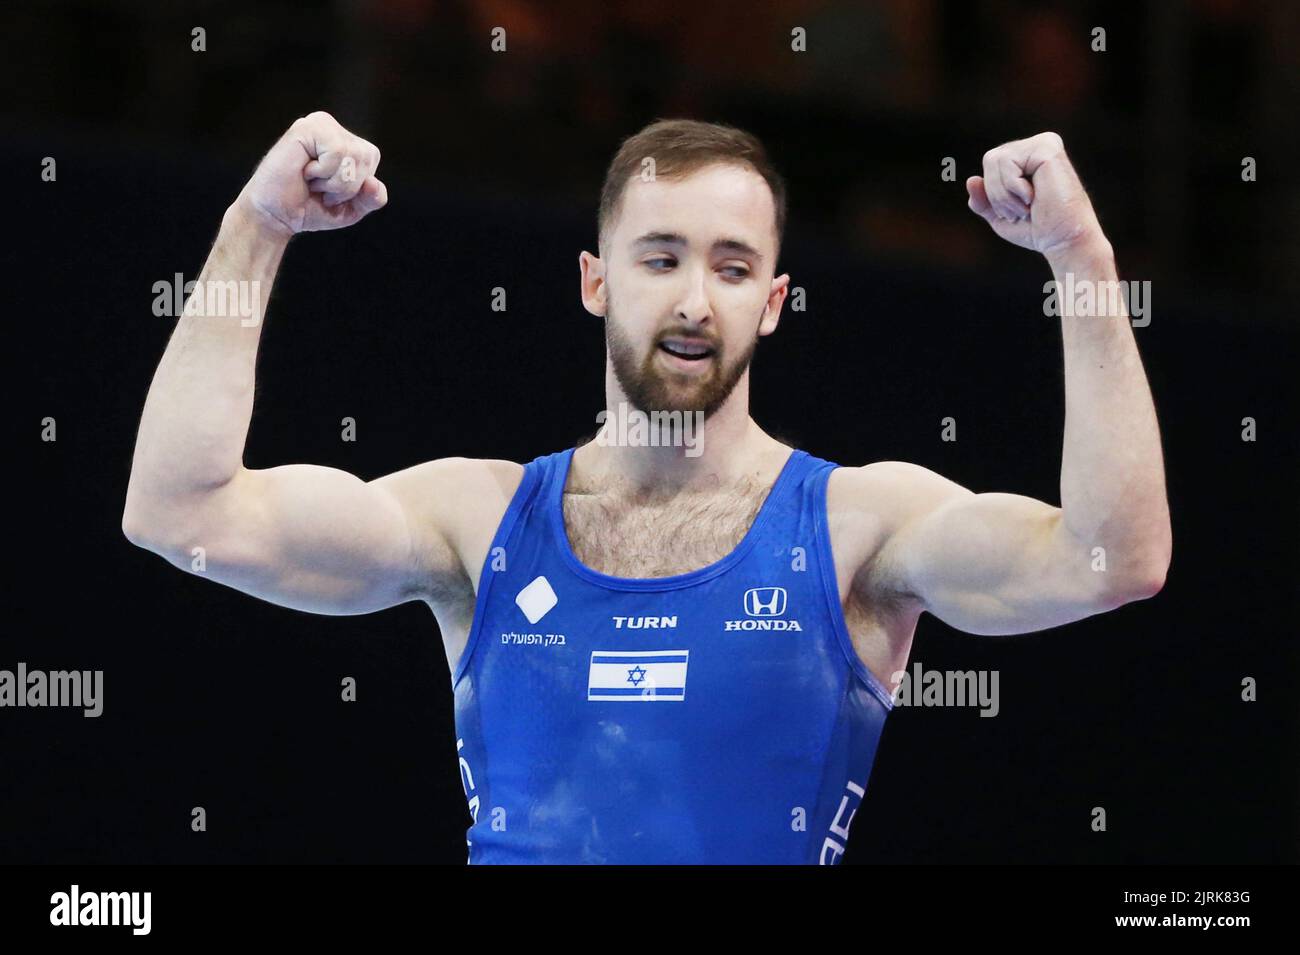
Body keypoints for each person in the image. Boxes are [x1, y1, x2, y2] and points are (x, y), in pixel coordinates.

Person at [122, 113, 1171, 864]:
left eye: (731, 267)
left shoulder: (857, 530)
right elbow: (182, 512)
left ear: (773, 302)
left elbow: (1112, 560)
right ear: (596, 280)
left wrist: (1079, 258)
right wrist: (258, 223)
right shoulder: (476, 523)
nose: (694, 300)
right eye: (660, 258)